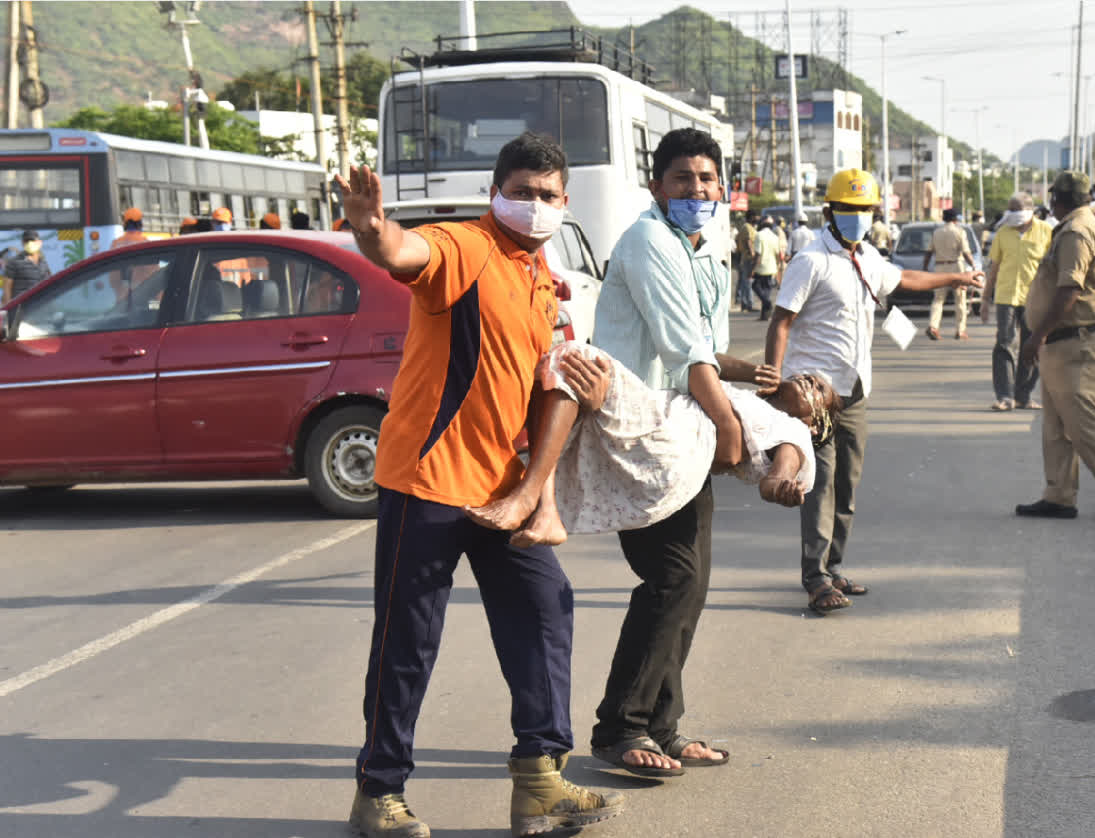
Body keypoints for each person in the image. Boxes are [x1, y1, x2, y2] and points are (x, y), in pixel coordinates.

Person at [336, 132, 624, 838]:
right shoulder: (466, 247)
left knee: (545, 609)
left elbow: (537, 391)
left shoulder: (540, 279)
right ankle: (379, 792)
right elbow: (407, 253)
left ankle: (539, 779)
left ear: (566, 203)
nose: (534, 206)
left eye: (548, 196)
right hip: (425, 481)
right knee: (408, 641)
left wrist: (541, 484)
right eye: (521, 192)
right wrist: (374, 231)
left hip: (501, 490)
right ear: (496, 192)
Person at [588, 127, 779, 778]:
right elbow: (681, 348)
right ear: (656, 187)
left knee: (690, 585)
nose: (696, 190)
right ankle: (622, 726)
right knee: (669, 577)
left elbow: (706, 348)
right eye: (682, 180)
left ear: (721, 187)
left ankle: (663, 727)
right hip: (640, 429)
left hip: (683, 424)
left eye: (706, 179)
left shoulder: (706, 250)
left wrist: (748, 374)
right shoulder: (648, 241)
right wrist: (729, 423)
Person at [765, 169, 984, 615]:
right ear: (830, 212)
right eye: (849, 210)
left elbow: (903, 278)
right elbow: (781, 320)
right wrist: (774, 376)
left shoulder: (865, 255)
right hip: (815, 394)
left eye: (865, 210)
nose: (858, 217)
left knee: (848, 483)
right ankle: (816, 576)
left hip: (855, 391)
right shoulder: (811, 261)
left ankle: (834, 564)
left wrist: (955, 280)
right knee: (820, 482)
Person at [467, 340, 832, 544]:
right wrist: (752, 371)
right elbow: (703, 360)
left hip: (674, 444)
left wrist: (780, 486)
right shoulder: (751, 402)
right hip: (666, 460)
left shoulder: (794, 433)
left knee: (575, 359)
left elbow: (778, 474)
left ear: (814, 425)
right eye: (810, 376)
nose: (809, 381)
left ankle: (535, 499)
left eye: (820, 390)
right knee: (557, 401)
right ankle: (543, 509)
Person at [1015, 171, 1095, 524]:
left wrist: (1036, 337)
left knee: (1083, 421)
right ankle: (1059, 495)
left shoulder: (1076, 232)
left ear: (1058, 199)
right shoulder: (1082, 225)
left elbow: (1070, 290)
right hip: (1063, 341)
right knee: (1055, 425)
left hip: (1078, 340)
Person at [981, 192, 1051, 410]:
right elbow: (994, 268)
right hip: (1006, 296)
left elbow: (1053, 268)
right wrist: (985, 299)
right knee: (1004, 343)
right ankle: (1004, 396)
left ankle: (1024, 395)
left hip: (1035, 298)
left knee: (1033, 346)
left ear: (1031, 211)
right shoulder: (1003, 232)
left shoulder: (1047, 233)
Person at [923, 208, 977, 340]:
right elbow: (965, 252)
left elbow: (929, 252)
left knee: (938, 299)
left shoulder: (936, 232)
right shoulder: (959, 232)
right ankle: (960, 331)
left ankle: (933, 326)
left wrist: (924, 268)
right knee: (960, 300)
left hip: (940, 267)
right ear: (955, 219)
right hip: (956, 267)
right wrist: (973, 265)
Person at [2, 229, 51, 302]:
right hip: (22, 308)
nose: (30, 243)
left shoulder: (43, 263)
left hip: (41, 307)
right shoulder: (14, 262)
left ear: (39, 243)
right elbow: (7, 288)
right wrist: (9, 309)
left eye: (33, 240)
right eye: (26, 241)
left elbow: (49, 285)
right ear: (22, 243)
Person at [752, 215, 784, 320]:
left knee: (755, 286)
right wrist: (778, 267)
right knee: (766, 290)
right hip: (772, 268)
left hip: (761, 268)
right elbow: (778, 254)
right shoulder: (775, 237)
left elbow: (758, 254)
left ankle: (767, 303)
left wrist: (752, 269)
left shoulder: (758, 235)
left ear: (761, 225)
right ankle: (764, 316)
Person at [733, 209, 758, 311]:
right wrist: (752, 255)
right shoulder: (747, 228)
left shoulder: (746, 227)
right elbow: (748, 241)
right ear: (751, 217)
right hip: (748, 258)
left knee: (744, 282)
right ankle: (749, 304)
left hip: (744, 257)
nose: (757, 219)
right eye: (755, 217)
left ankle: (744, 303)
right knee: (748, 282)